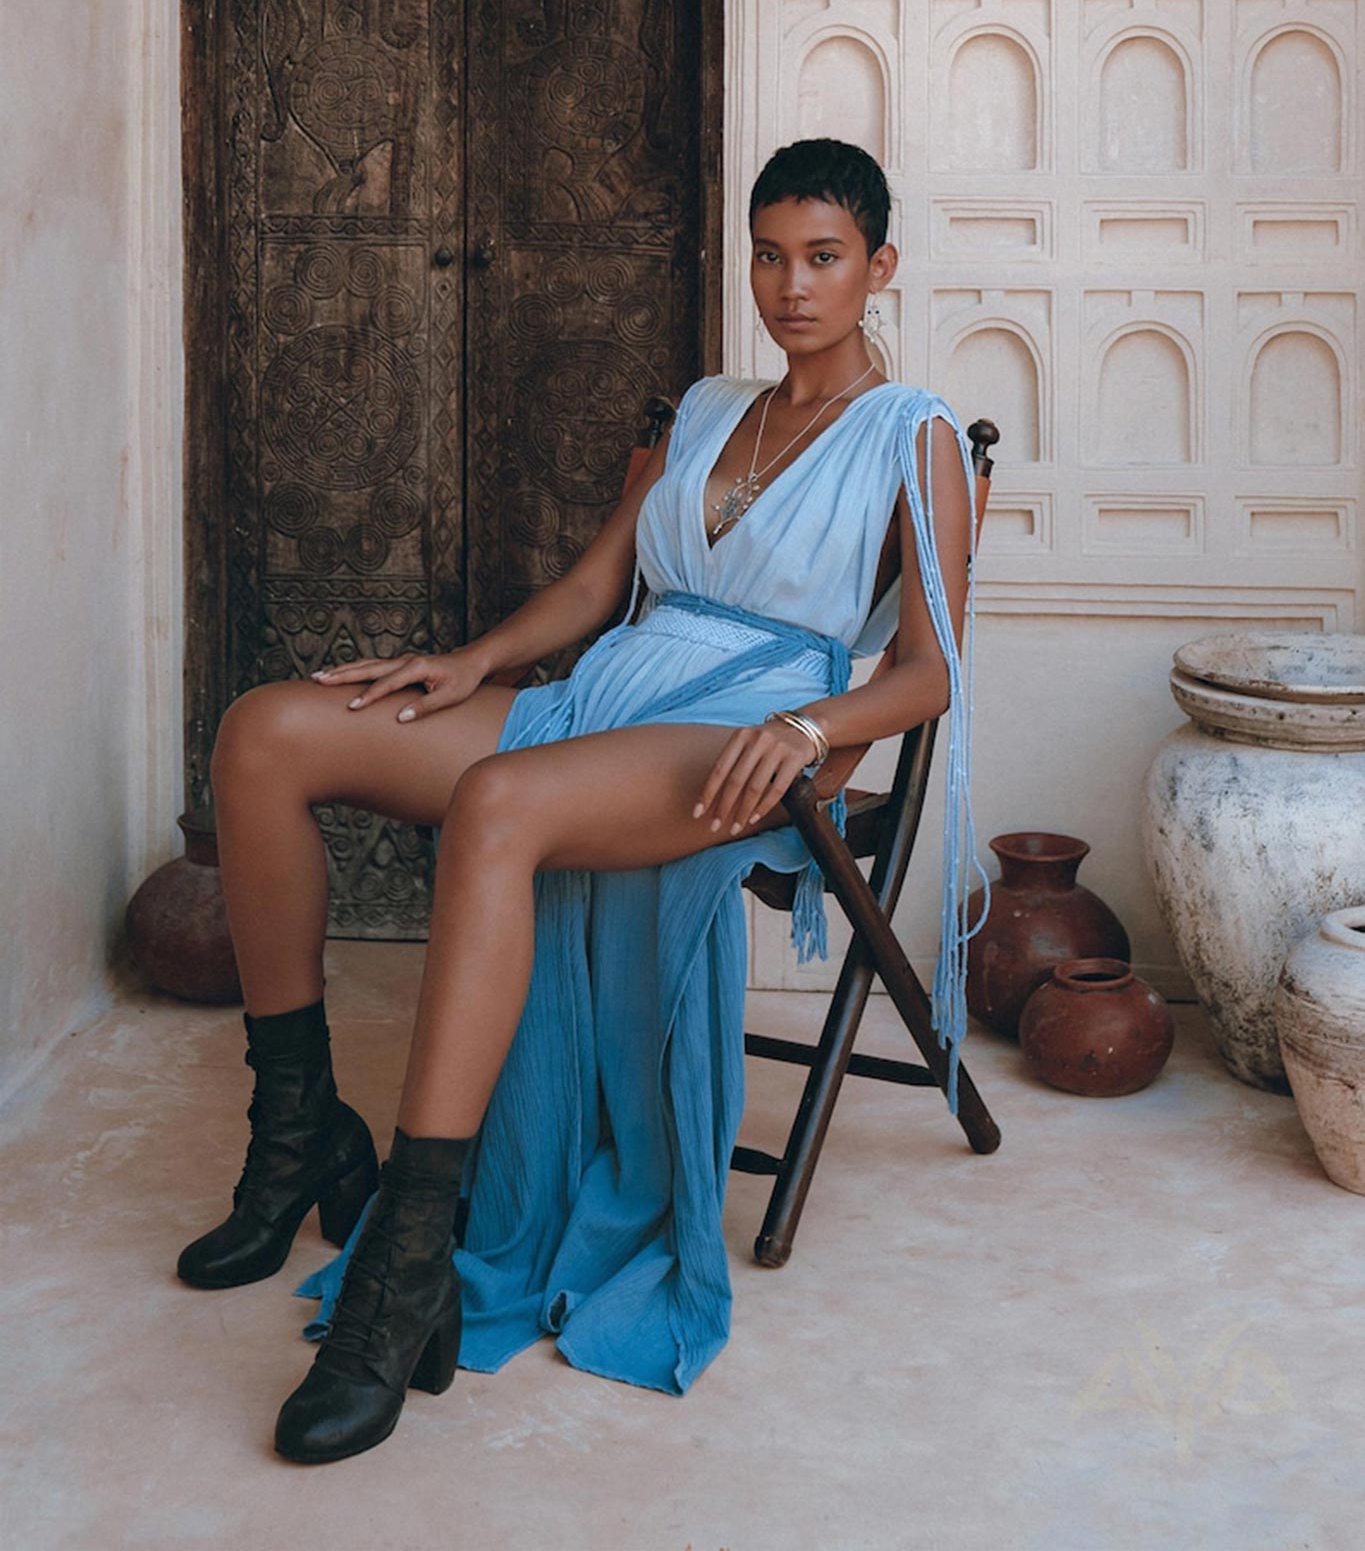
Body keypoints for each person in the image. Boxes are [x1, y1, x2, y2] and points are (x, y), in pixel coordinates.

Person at [178, 136, 984, 1465]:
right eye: (771, 255)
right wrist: (474, 659)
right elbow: (594, 588)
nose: (793, 286)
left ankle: (409, 1268)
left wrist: (803, 726)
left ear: (877, 267)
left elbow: (929, 671)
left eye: (824, 258)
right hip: (593, 704)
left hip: (741, 738)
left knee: (496, 804)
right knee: (267, 734)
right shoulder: (705, 409)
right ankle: (301, 1138)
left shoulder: (918, 439)